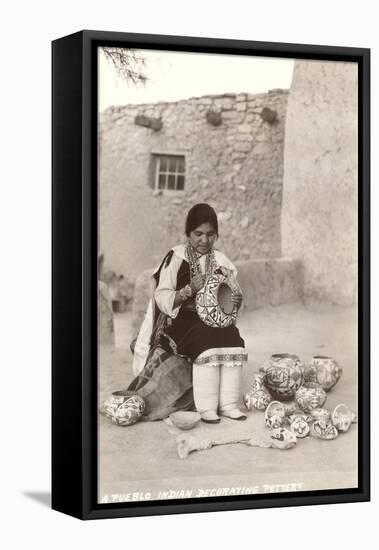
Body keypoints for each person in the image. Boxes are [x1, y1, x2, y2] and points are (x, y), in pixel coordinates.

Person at [129, 203, 248, 423]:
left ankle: (229, 404)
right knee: (205, 337)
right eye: (198, 234)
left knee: (234, 337)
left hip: (213, 320)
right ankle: (207, 408)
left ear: (217, 235)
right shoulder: (176, 257)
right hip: (181, 319)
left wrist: (235, 301)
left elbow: (230, 299)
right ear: (188, 233)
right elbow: (162, 297)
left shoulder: (222, 262)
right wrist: (188, 290)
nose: (204, 240)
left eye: (210, 234)